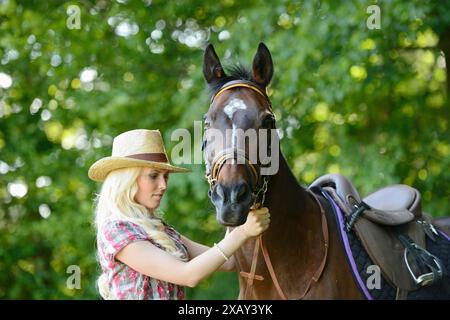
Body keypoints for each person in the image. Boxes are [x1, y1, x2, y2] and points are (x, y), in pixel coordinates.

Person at [88, 129, 270, 300]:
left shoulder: (160, 230)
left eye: (165, 176)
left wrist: (233, 207)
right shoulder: (116, 230)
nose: (163, 185)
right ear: (126, 180)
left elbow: (228, 262)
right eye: (154, 176)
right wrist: (242, 232)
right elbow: (188, 275)